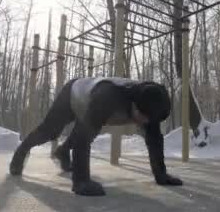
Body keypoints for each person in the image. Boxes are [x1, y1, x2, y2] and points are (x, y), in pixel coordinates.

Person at [9, 77, 183, 196]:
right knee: (51, 131)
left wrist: (161, 176)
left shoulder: (154, 104)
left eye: (149, 119)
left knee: (87, 128)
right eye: (142, 116)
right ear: (134, 103)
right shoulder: (108, 98)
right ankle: (21, 151)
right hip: (73, 93)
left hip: (92, 101)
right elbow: (82, 139)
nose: (144, 121)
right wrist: (81, 181)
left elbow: (154, 140)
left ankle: (62, 152)